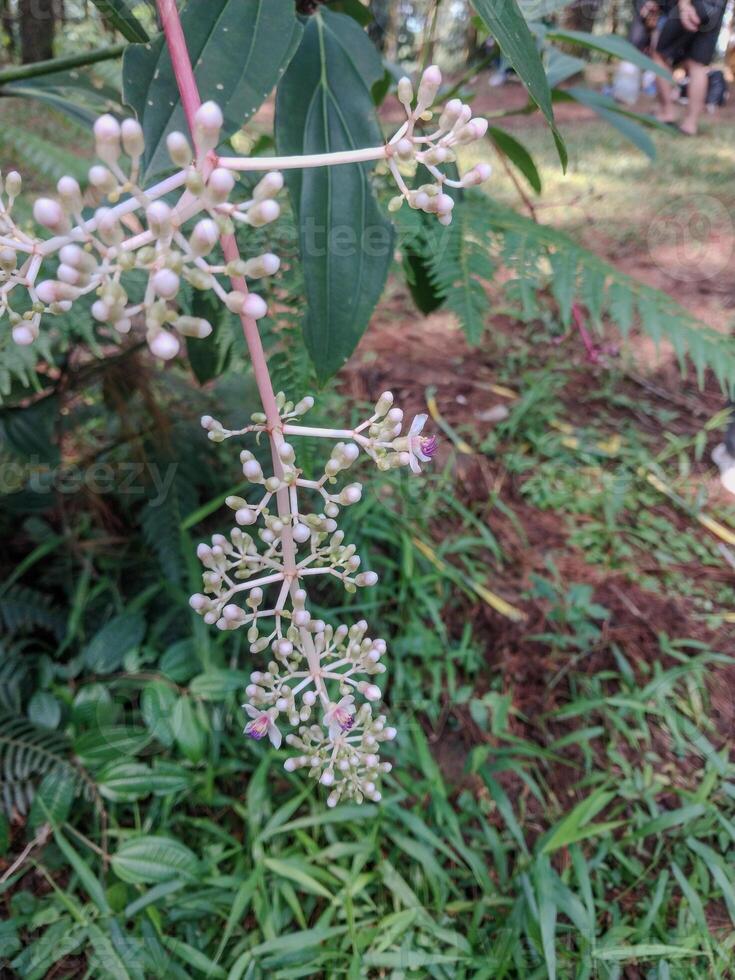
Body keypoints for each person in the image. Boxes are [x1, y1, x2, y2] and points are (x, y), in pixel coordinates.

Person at [652, 0, 728, 134]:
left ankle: (667, 112)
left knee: (659, 56)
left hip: (694, 4)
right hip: (717, 6)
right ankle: (690, 124)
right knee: (697, 65)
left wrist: (684, 4)